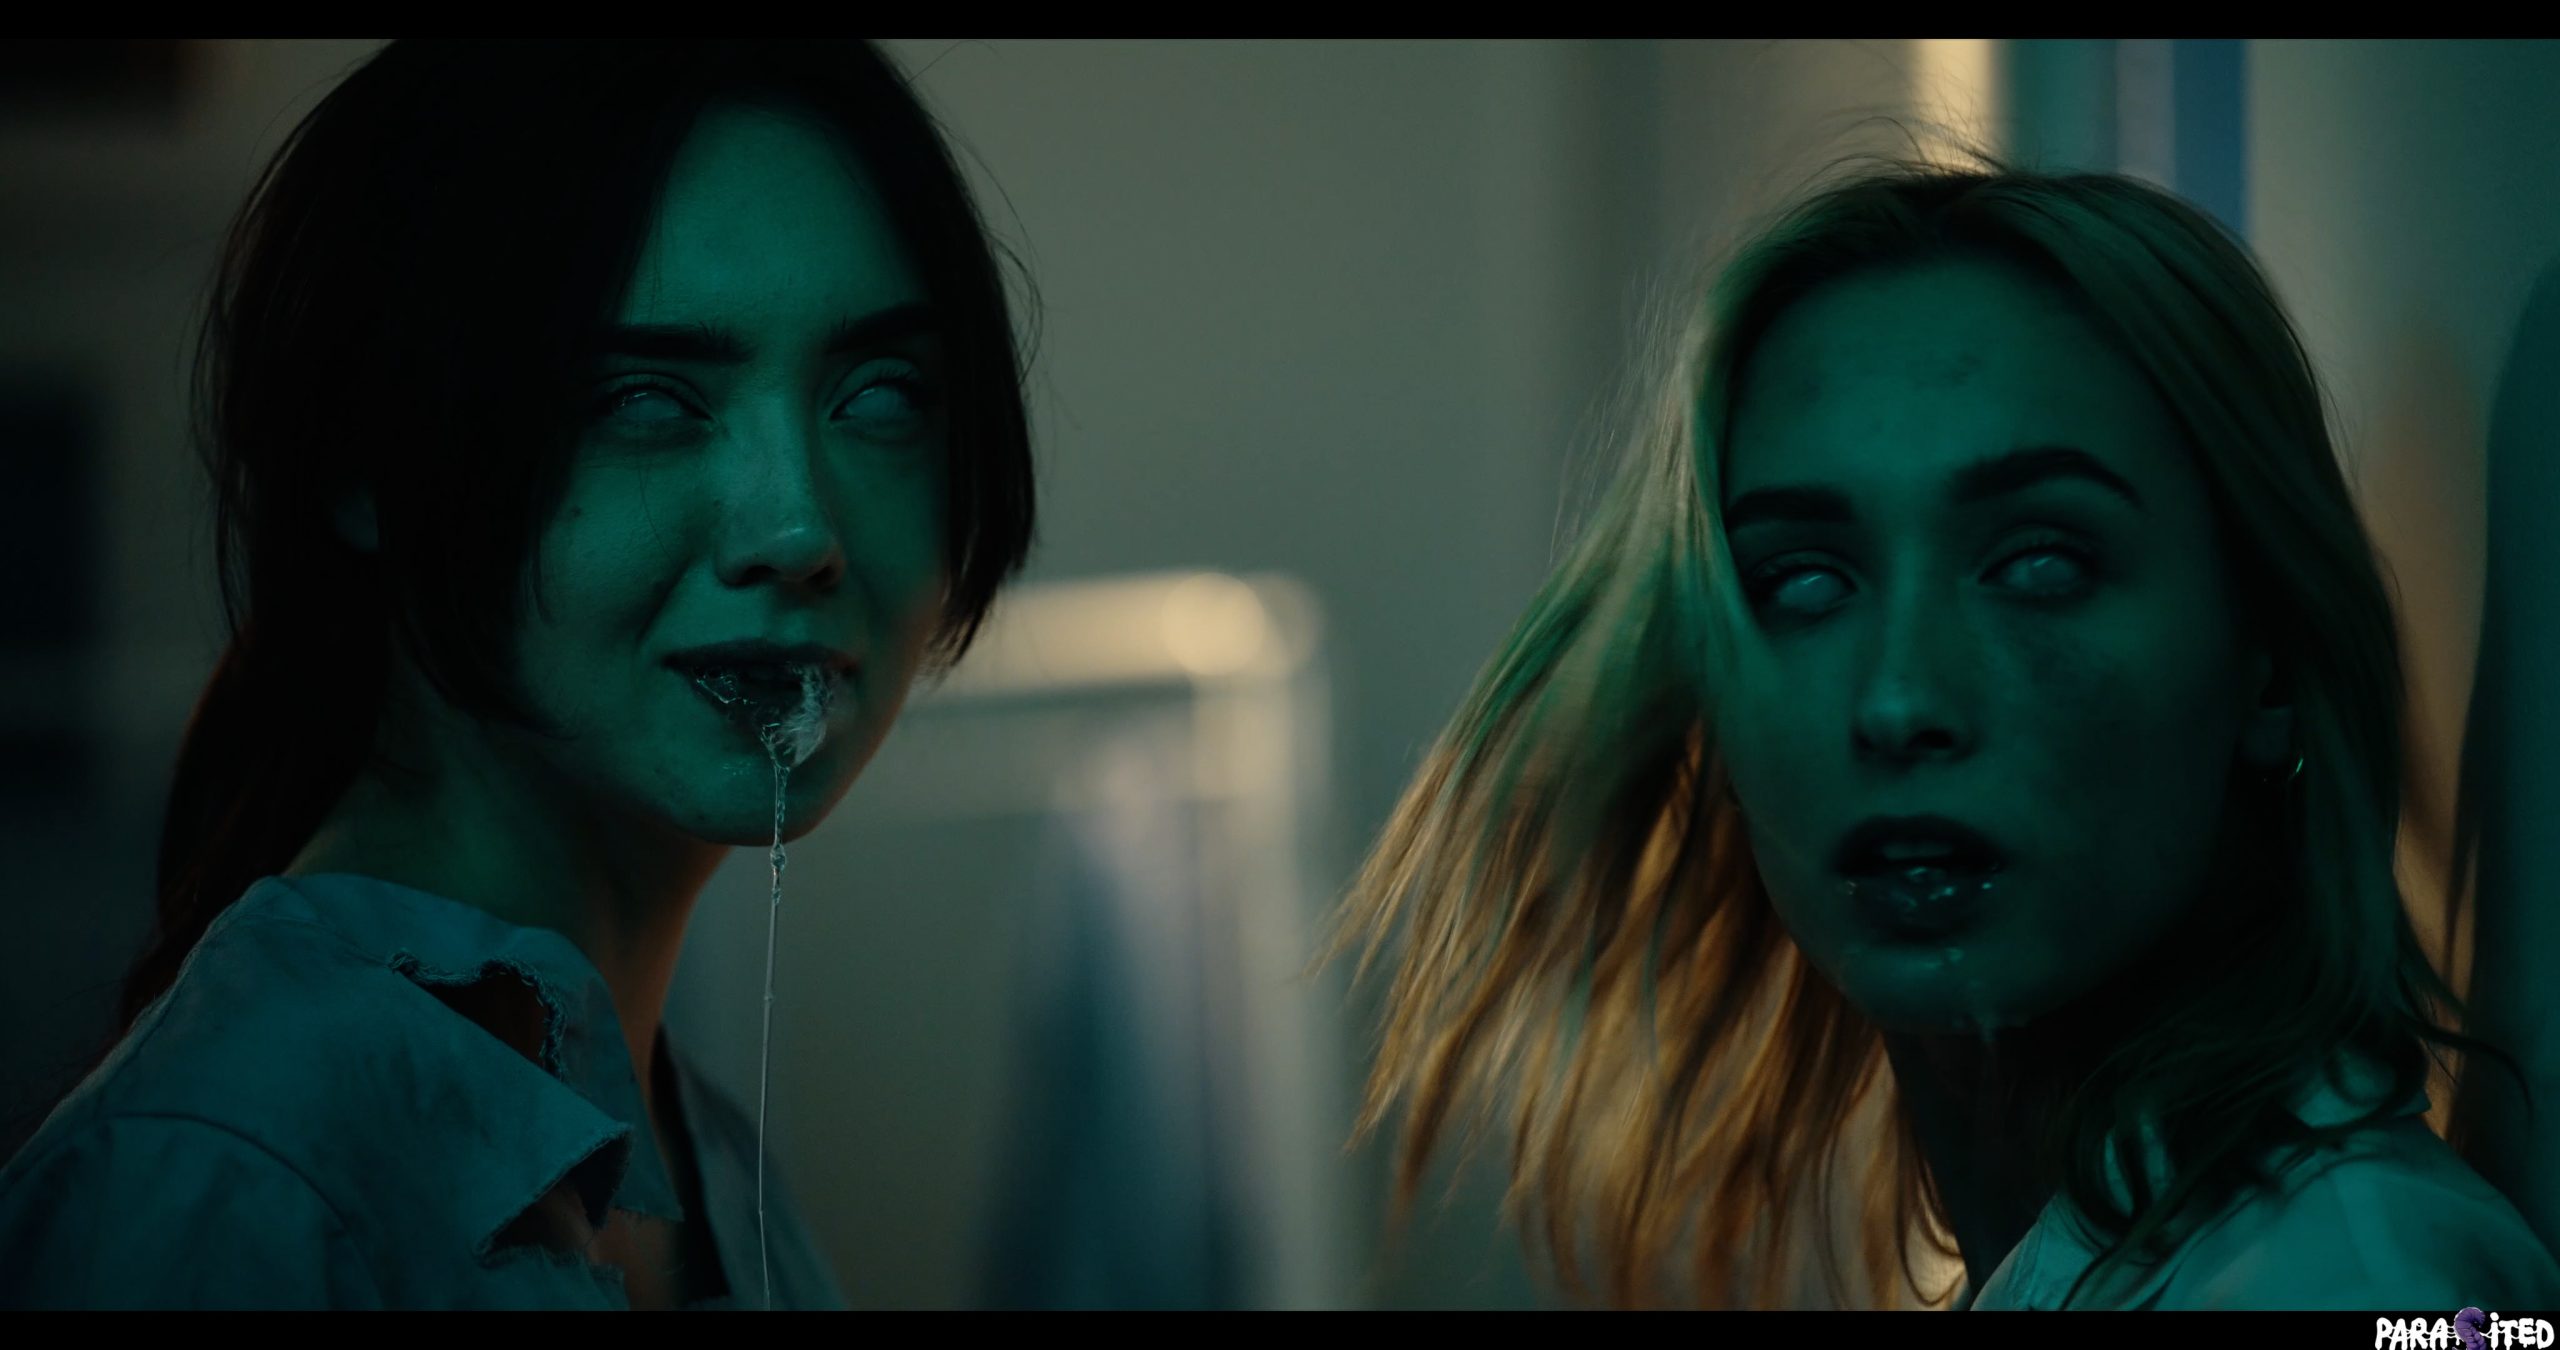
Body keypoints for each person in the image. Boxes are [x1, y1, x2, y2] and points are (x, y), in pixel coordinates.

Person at [1332, 155, 2560, 1309]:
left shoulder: (2346, 1280)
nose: (1899, 701)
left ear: (2267, 659)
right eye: (1801, 582)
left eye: (2040, 563)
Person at [0, 39, 1035, 1310]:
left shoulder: (705, 1177)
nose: (798, 529)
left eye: (880, 396)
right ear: (366, 457)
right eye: (644, 399)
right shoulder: (214, 1194)